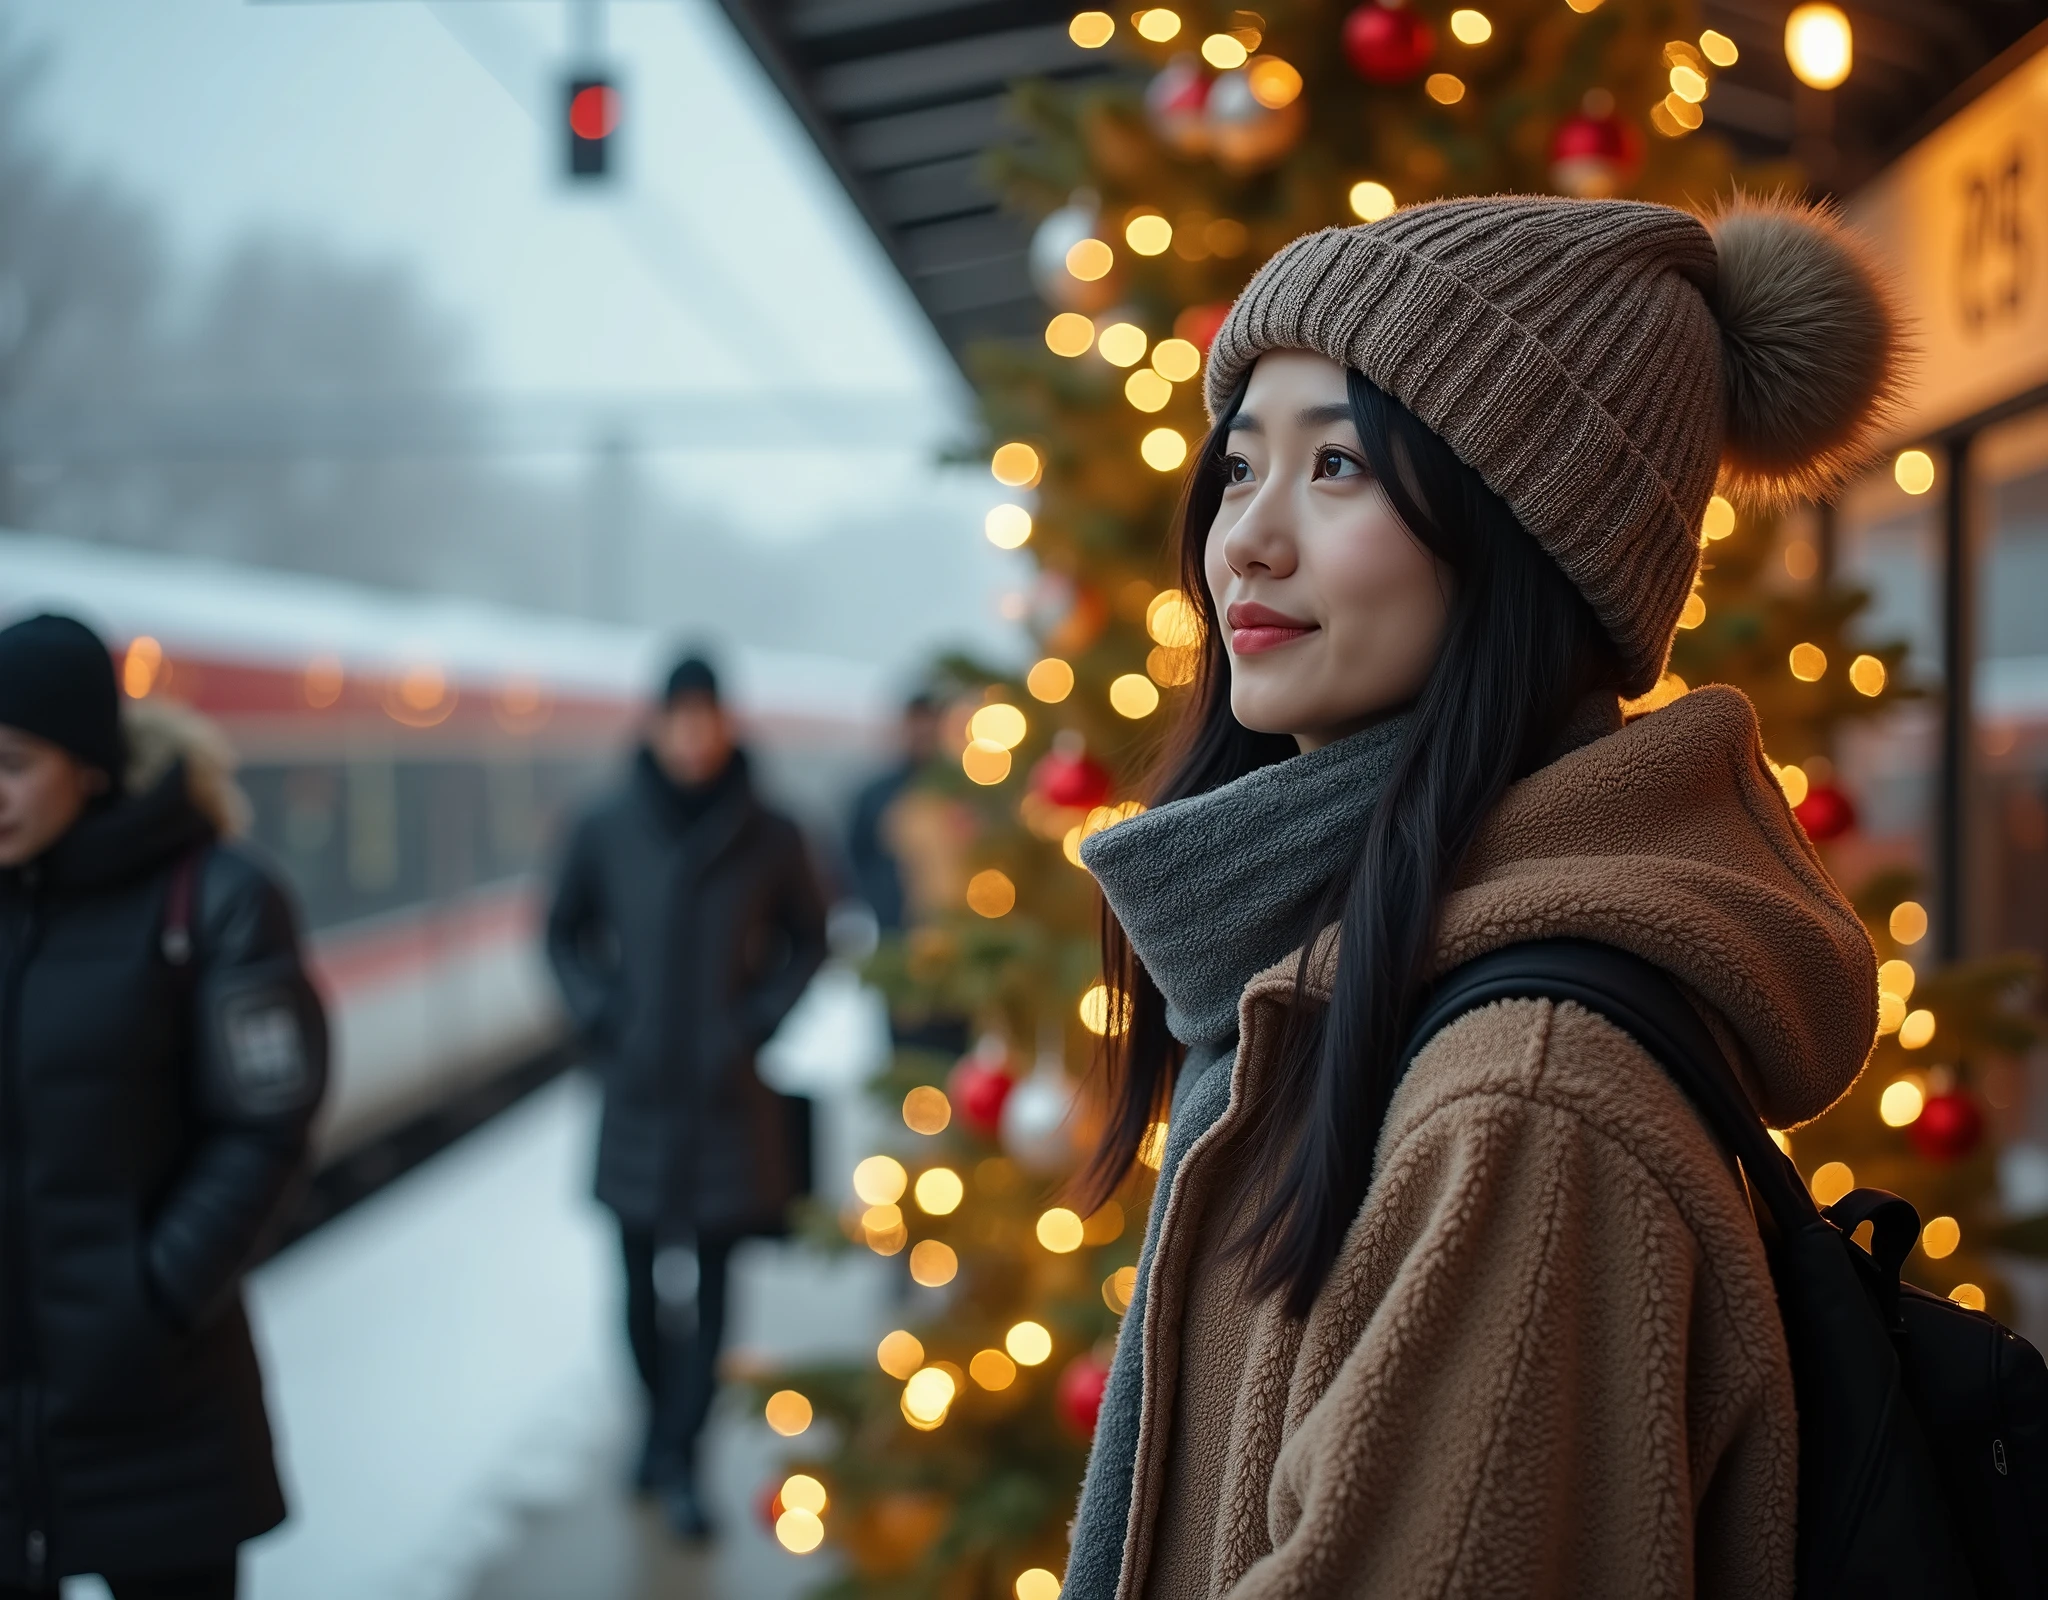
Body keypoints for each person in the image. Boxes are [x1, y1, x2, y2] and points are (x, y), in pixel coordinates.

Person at [1064, 196, 1900, 1598]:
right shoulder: (1319, 982)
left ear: (1526, 539)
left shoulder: (1524, 1102)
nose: (1242, 545)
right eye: (1240, 467)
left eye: (1338, 466)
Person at [0, 615, 327, 1600]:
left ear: (90, 767)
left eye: (13, 764)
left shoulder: (218, 898)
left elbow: (266, 1124)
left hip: (161, 1406)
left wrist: (152, 1298)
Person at [546, 653, 827, 1540]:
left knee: (710, 1288)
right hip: (634, 1093)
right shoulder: (604, 825)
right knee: (633, 1283)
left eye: (709, 718)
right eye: (681, 718)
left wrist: (750, 1024)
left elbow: (808, 941)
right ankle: (654, 1428)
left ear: (727, 724)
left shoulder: (772, 831)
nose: (695, 735)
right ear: (657, 723)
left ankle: (681, 1456)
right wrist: (604, 1017)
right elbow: (561, 934)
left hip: (725, 1099)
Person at [846, 691, 941, 935]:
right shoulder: (876, 795)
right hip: (891, 928)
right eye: (916, 723)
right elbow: (854, 857)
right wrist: (874, 902)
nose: (923, 733)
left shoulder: (963, 795)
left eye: (929, 724)